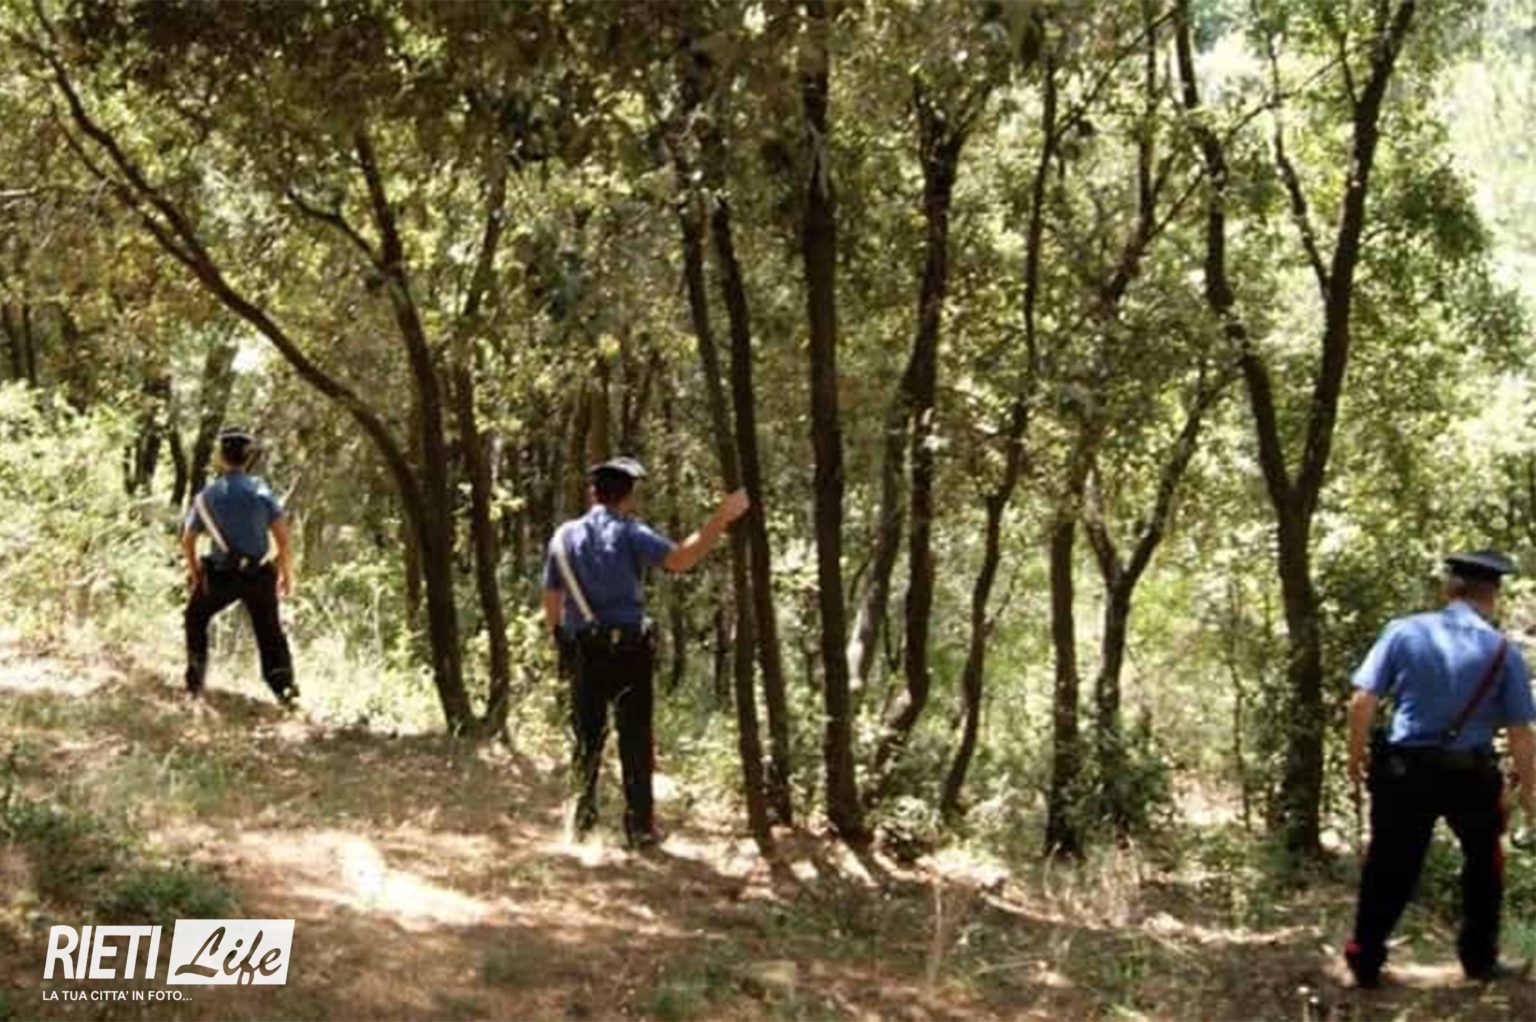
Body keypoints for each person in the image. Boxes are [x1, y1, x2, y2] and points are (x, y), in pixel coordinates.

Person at [1344, 549, 1536, 988]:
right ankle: (1479, 961)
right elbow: (1521, 731)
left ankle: (1365, 960)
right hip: (1470, 776)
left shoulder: (1403, 632)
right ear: (1493, 596)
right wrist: (1529, 790)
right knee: (1484, 863)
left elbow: (1362, 700)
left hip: (1404, 772)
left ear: (1450, 588)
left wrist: (1356, 757)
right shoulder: (1502, 651)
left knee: (1388, 863)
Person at [543, 456, 748, 850]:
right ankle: (639, 829)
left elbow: (552, 597)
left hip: (584, 649)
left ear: (593, 493)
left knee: (586, 738)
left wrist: (561, 641)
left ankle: (581, 823)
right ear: (628, 497)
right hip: (630, 651)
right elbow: (681, 559)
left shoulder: (563, 537)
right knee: (635, 739)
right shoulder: (631, 532)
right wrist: (721, 518)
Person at [181, 426, 298, 707]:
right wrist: (285, 575)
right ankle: (285, 692)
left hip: (220, 575)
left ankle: (195, 686)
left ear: (221, 457)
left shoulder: (207, 496)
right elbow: (283, 540)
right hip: (259, 575)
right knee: (270, 632)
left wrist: (196, 573)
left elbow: (188, 540)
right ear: (248, 457)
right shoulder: (262, 492)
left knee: (195, 618)